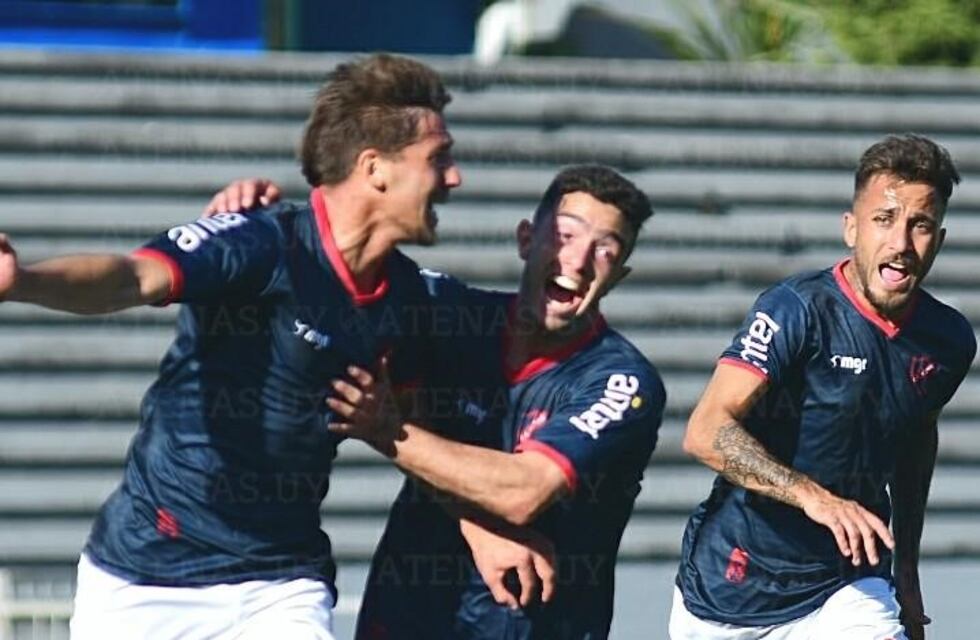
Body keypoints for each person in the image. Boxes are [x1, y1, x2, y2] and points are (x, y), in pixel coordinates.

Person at [0, 53, 460, 639]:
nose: (454, 178)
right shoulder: (257, 243)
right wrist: (25, 282)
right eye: (438, 158)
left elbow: (434, 436)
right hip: (146, 579)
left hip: (281, 584)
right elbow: (132, 277)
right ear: (375, 168)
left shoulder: (411, 300)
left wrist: (489, 528)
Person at [212, 165, 666, 639]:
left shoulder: (622, 381)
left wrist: (389, 432)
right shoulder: (451, 314)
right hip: (408, 611)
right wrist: (253, 222)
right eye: (565, 235)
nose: (576, 261)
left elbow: (521, 492)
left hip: (532, 625)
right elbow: (329, 274)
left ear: (619, 275)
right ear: (526, 239)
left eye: (605, 250)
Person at [671, 134, 975, 640]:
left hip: (847, 583)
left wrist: (907, 568)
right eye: (884, 220)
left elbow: (916, 440)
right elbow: (705, 430)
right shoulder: (797, 310)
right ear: (851, 229)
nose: (900, 244)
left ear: (938, 240)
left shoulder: (947, 340)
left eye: (920, 225)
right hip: (732, 585)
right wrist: (813, 496)